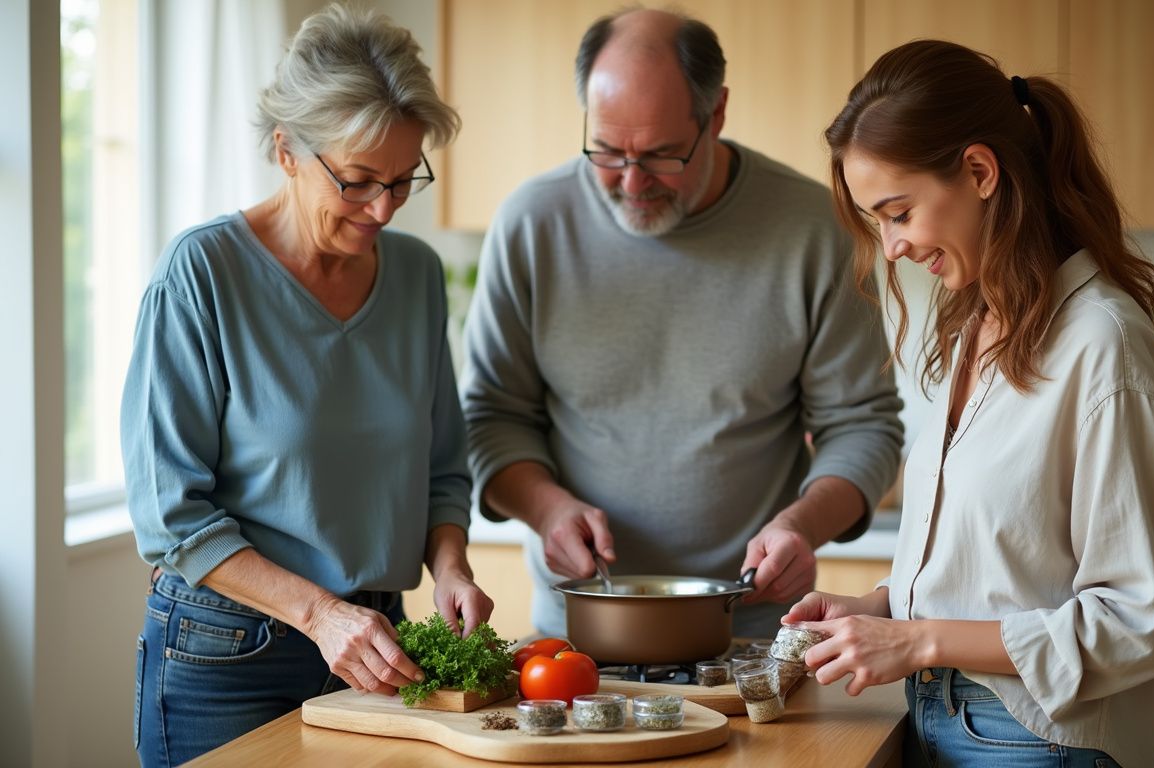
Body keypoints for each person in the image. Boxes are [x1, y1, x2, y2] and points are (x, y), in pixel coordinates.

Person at [782, 40, 1154, 767]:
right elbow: (1005, 567)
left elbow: (1138, 624)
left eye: (899, 212)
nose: (893, 247)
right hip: (944, 716)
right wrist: (881, 611)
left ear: (978, 171)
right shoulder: (977, 330)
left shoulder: (1103, 349)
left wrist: (916, 640)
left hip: (1035, 740)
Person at [120, 6, 492, 766]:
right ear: (286, 150)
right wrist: (320, 614)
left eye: (402, 180)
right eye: (357, 182)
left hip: (378, 646)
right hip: (225, 655)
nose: (383, 209)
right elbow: (169, 514)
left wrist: (450, 564)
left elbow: (442, 468)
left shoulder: (415, 275)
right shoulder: (201, 275)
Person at [460, 8, 904, 641]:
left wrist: (801, 526)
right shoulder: (531, 225)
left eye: (662, 155)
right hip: (580, 625)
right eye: (607, 152)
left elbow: (864, 426)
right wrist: (546, 509)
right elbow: (491, 418)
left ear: (715, 114)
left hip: (751, 628)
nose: (632, 183)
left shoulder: (814, 230)